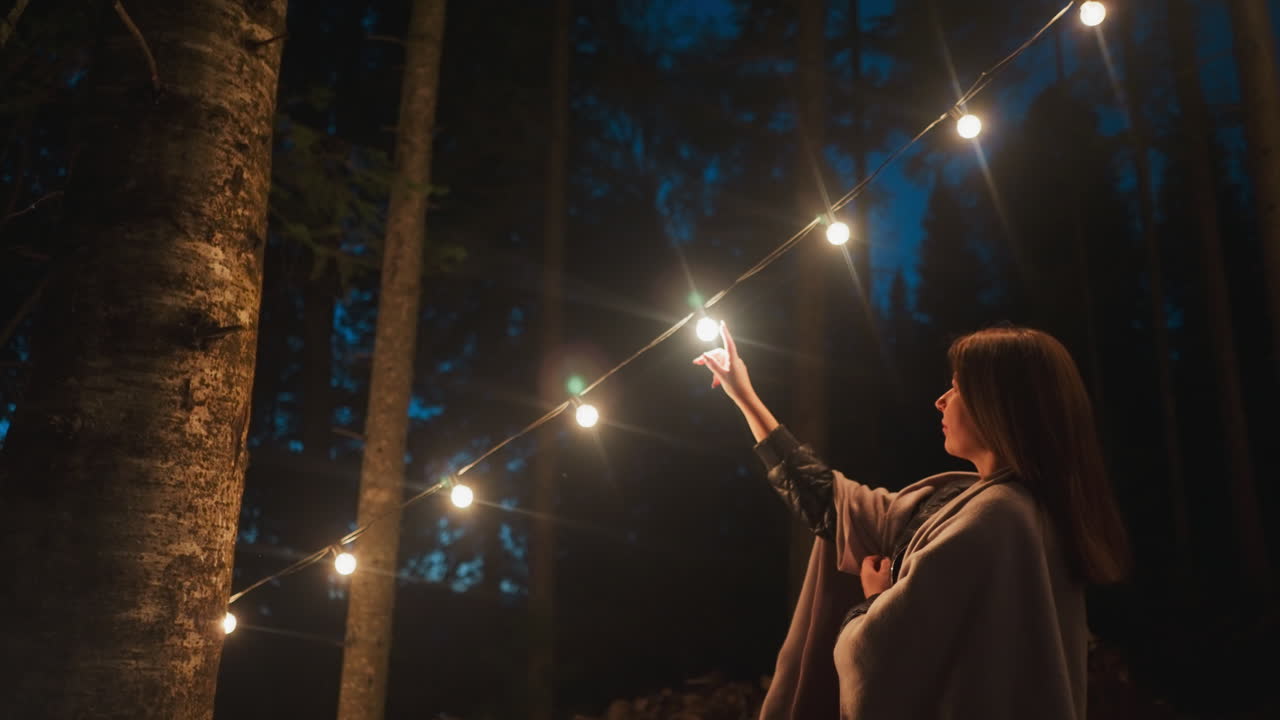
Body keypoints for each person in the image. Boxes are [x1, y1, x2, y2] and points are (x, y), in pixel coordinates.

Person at [693, 322, 1130, 720]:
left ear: (997, 405)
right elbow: (832, 504)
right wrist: (745, 397)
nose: (940, 400)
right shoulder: (978, 505)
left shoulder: (998, 517)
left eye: (957, 388)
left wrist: (873, 602)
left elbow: (881, 665)